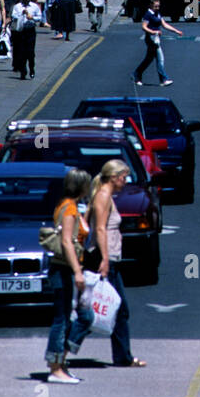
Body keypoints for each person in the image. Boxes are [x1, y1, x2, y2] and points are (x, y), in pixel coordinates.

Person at [88, 160, 147, 368]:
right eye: (123, 177)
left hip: (110, 259)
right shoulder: (103, 197)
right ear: (113, 177)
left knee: (115, 308)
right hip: (106, 260)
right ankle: (123, 357)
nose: (125, 180)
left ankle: (123, 356)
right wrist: (105, 259)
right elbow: (100, 229)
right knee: (118, 309)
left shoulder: (105, 196)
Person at [43, 169, 95, 384]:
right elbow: (66, 241)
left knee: (74, 316)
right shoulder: (69, 208)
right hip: (63, 269)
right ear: (81, 186)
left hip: (66, 269)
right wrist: (77, 271)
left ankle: (61, 363)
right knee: (63, 319)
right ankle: (55, 367)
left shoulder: (70, 206)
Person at [134, 0, 183, 86]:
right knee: (160, 59)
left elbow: (164, 24)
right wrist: (153, 31)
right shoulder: (148, 14)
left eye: (158, 6)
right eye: (155, 6)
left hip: (156, 39)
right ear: (150, 6)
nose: (157, 8)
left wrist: (176, 31)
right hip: (151, 39)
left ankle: (136, 74)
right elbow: (144, 26)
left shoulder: (157, 14)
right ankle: (164, 79)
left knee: (148, 60)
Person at [10, 0, 43, 79]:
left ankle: (31, 68)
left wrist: (32, 17)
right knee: (21, 52)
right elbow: (14, 16)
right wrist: (21, 13)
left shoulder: (34, 6)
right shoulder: (17, 6)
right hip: (21, 31)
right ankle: (23, 70)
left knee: (30, 52)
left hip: (30, 31)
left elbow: (39, 17)